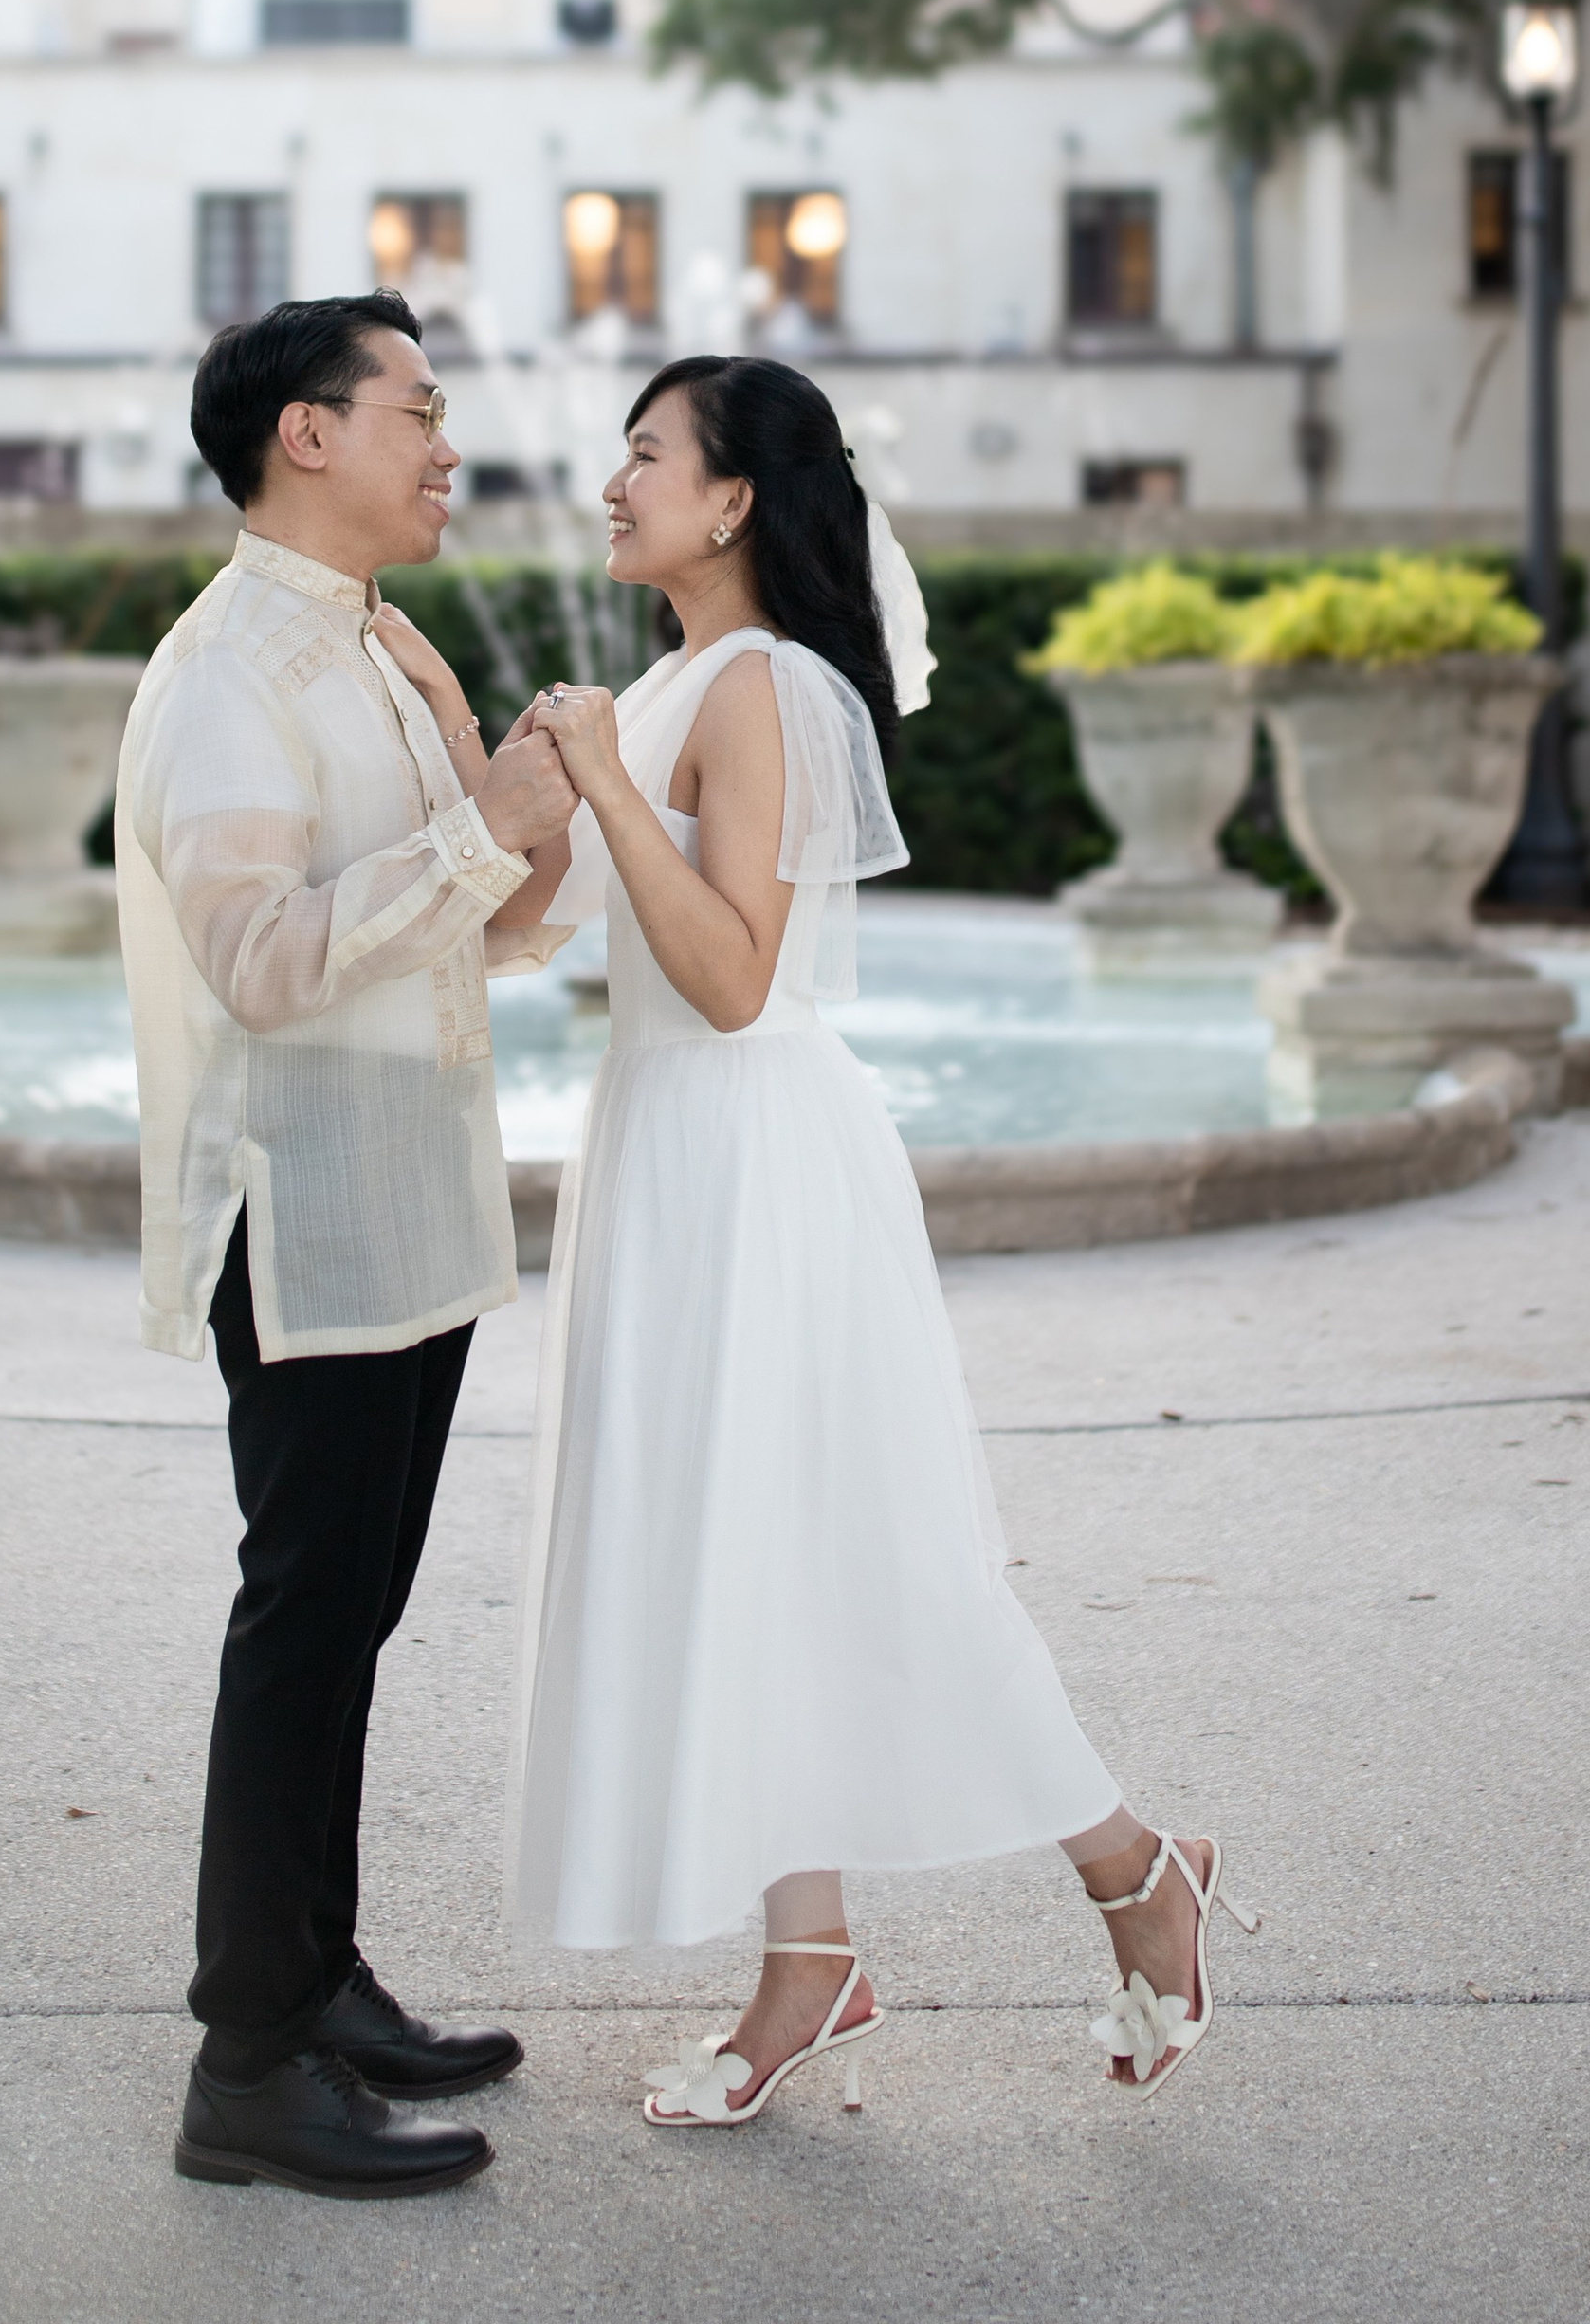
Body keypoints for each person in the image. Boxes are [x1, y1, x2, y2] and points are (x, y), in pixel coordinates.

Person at [498, 355, 1257, 2126]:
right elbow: (533, 941)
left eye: (645, 458)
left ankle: (1138, 1866)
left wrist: (606, 782)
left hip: (758, 1156)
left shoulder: (755, 689)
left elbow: (734, 974)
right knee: (747, 1555)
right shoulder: (675, 682)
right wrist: (524, 789)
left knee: (875, 1551)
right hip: (666, 1154)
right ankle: (810, 1966)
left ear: (734, 500)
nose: (613, 487)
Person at [116, 291, 576, 2200]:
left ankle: (317, 1981)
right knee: (303, 1613)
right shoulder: (234, 671)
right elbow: (262, 956)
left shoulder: (376, 650)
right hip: (296, 1217)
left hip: (398, 1199)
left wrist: (521, 809)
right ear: (303, 434)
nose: (443, 443)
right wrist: (487, 833)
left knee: (352, 1613)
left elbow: (471, 933)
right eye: (414, 407)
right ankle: (245, 2059)